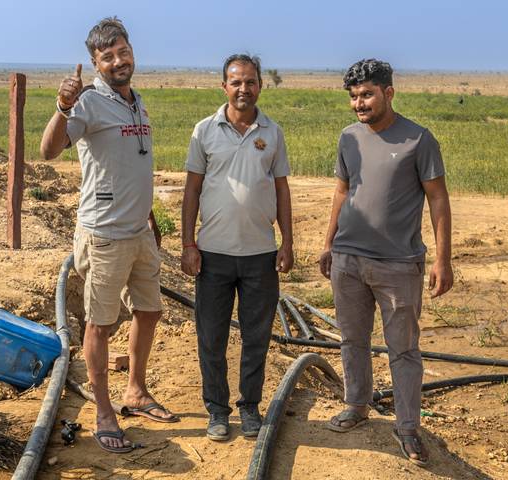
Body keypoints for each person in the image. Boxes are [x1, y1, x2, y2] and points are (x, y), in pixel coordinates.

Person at [40, 17, 178, 454]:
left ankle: (135, 391)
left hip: (140, 231)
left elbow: (130, 166)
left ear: (131, 51)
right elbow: (47, 151)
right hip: (104, 235)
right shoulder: (89, 102)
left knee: (149, 311)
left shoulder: (136, 102)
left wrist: (150, 217)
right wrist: (63, 107)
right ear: (95, 63)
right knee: (101, 323)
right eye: (107, 56)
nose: (118, 61)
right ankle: (104, 411)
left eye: (122, 51)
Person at [319, 59, 453, 466]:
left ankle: (408, 427)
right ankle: (357, 405)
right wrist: (328, 244)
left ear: (389, 93)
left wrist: (443, 260)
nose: (360, 103)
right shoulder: (349, 138)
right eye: (354, 97)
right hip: (349, 260)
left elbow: (438, 199)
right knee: (352, 340)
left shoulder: (418, 140)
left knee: (404, 349)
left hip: (399, 264)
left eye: (367, 94)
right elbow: (342, 192)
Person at [181, 54, 293, 442]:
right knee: (211, 336)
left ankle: (249, 408)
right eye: (236, 82)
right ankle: (216, 411)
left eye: (250, 82)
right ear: (224, 86)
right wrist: (188, 243)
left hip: (261, 254)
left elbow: (281, 189)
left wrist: (287, 242)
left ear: (260, 85)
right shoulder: (204, 131)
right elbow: (192, 189)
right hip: (213, 255)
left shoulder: (272, 133)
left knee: (256, 336)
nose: (243, 88)